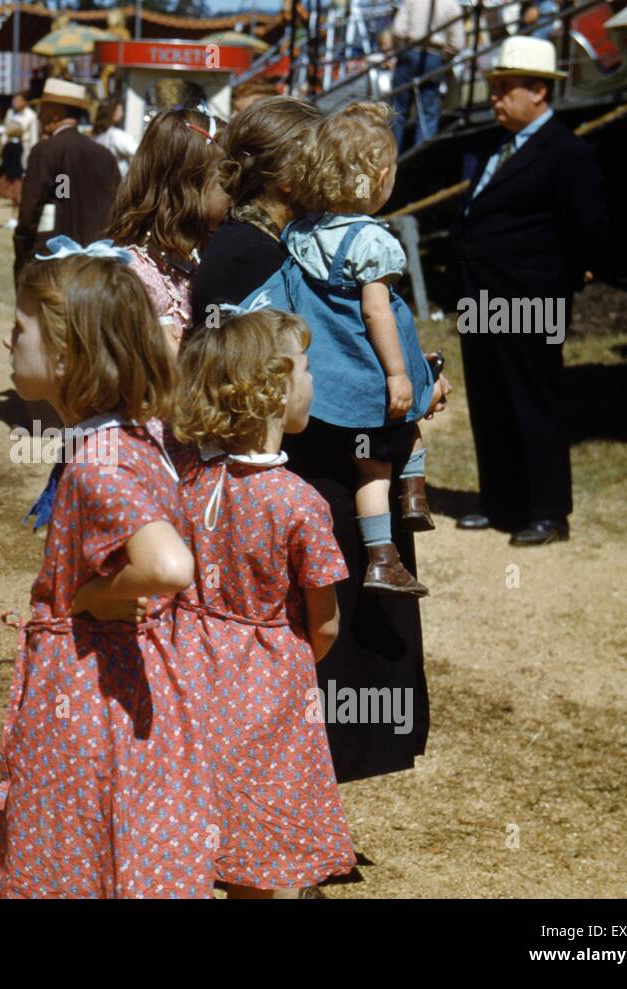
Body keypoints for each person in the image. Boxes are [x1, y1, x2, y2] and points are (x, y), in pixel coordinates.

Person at [192, 101, 452, 786]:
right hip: (313, 479)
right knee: (324, 653)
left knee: (354, 650)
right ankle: (291, 815)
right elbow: (248, 373)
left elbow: (348, 333)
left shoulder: (300, 239)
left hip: (344, 463)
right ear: (284, 173)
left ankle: (315, 805)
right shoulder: (247, 255)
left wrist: (415, 372)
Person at [0, 243, 213, 899]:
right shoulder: (137, 436)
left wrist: (90, 593)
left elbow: (167, 564)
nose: (10, 335)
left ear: (65, 353)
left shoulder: (99, 460)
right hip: (140, 687)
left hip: (90, 698)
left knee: (72, 854)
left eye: (22, 325)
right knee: (125, 845)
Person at [171, 307, 356, 899]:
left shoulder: (189, 479)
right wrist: (294, 665)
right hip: (269, 681)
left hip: (185, 667)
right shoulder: (299, 502)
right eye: (306, 368)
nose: (312, 381)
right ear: (274, 390)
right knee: (263, 837)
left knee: (193, 817)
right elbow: (324, 622)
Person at [243, 102, 438, 595]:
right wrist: (397, 373)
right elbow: (376, 312)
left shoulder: (302, 235)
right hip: (373, 373)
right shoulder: (373, 240)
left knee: (370, 462)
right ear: (380, 177)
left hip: (334, 379)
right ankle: (401, 521)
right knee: (394, 442)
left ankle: (390, 540)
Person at [450, 36, 608, 545]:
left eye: (505, 89)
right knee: (491, 399)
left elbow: (588, 229)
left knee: (532, 401)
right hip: (483, 298)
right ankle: (500, 500)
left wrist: (561, 282)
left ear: (539, 91)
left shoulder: (566, 151)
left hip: (530, 300)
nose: (495, 99)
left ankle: (546, 509)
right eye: (493, 88)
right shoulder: (501, 149)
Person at [104, 105, 229, 351]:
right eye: (226, 181)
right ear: (188, 184)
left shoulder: (194, 260)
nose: (237, 192)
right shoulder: (133, 273)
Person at [192, 96, 321, 327]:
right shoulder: (255, 258)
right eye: (324, 162)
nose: (332, 175)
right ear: (288, 176)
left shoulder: (251, 241)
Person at [13, 79, 120, 283]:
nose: (39, 116)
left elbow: (32, 209)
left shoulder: (47, 151)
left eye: (42, 109)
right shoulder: (104, 156)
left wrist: (22, 249)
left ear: (55, 113)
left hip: (56, 262)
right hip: (98, 264)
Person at [387, 0, 465, 149]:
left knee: (398, 108)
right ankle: (421, 156)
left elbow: (397, 29)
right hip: (435, 57)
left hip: (410, 51)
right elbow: (458, 43)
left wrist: (403, 48)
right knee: (428, 112)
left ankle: (391, 155)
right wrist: (443, 57)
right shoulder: (452, 4)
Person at [90, 99, 139, 178]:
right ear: (111, 112)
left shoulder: (94, 136)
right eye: (120, 110)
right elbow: (139, 152)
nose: (122, 114)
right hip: (116, 181)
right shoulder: (117, 135)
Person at [5, 91, 39, 159]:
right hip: (10, 147)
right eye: (14, 101)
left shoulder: (31, 115)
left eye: (18, 101)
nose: (15, 103)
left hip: (25, 148)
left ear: (25, 102)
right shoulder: (10, 112)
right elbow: (6, 129)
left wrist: (33, 152)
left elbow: (34, 136)